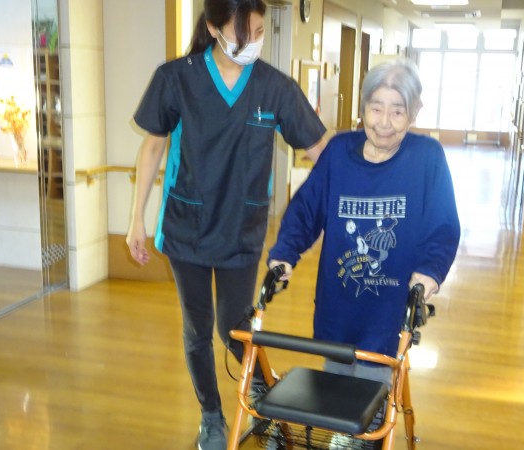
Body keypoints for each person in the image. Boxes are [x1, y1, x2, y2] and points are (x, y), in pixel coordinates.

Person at [125, 1, 327, 448]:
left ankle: (265, 399)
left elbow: (322, 151)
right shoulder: (176, 78)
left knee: (234, 328)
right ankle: (211, 416)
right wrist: (136, 218)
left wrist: (373, 164)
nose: (253, 42)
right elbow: (153, 147)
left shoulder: (275, 87)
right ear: (214, 28)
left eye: (259, 32)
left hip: (242, 230)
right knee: (198, 330)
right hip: (187, 229)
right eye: (242, 33)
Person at [267, 59, 460, 449]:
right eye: (376, 108)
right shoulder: (339, 152)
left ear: (415, 112)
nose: (384, 122)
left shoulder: (427, 158)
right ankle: (346, 434)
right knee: (337, 382)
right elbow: (306, 209)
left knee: (371, 390)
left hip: (390, 305)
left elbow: (443, 225)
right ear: (363, 107)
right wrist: (285, 253)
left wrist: (429, 272)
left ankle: (360, 439)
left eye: (397, 111)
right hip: (339, 301)